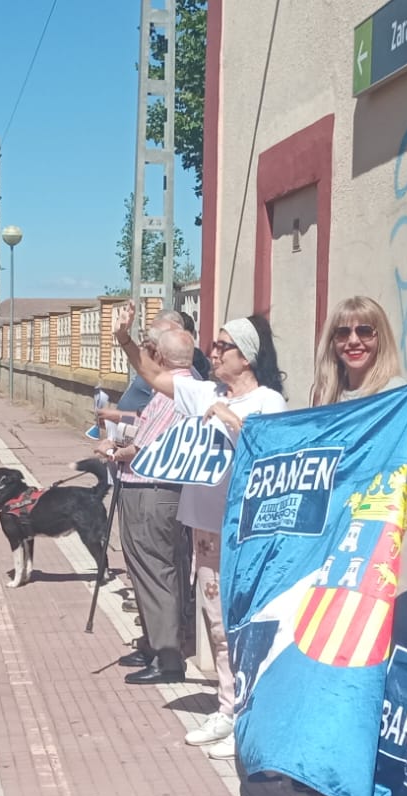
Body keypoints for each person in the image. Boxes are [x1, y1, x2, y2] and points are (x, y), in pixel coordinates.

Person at [118, 315, 287, 759]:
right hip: (206, 529)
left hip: (246, 530)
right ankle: (227, 707)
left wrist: (232, 421)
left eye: (222, 346)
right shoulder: (204, 391)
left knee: (246, 622)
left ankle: (250, 715)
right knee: (216, 623)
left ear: (246, 356)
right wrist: (122, 337)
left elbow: (276, 455)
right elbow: (153, 374)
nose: (212, 352)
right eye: (212, 344)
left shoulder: (269, 402)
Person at [105, 324, 202, 684]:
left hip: (152, 488)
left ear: (160, 356)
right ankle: (157, 645)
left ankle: (167, 655)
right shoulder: (178, 385)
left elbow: (158, 445)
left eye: (150, 349)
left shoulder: (179, 390)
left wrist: (124, 451)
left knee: (154, 569)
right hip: (153, 487)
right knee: (158, 567)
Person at [311, 296, 406, 406]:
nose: (353, 341)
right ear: (332, 341)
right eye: (343, 332)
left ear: (381, 338)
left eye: (364, 331)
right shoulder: (325, 395)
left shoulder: (395, 392)